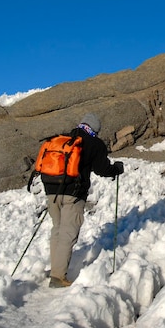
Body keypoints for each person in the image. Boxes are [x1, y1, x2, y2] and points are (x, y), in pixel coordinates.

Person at [43, 113, 124, 288]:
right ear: (95, 129)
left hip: (51, 191)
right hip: (73, 193)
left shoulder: (64, 138)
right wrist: (116, 169)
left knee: (57, 229)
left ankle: (55, 268)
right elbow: (102, 169)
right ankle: (58, 277)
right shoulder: (94, 143)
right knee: (68, 233)